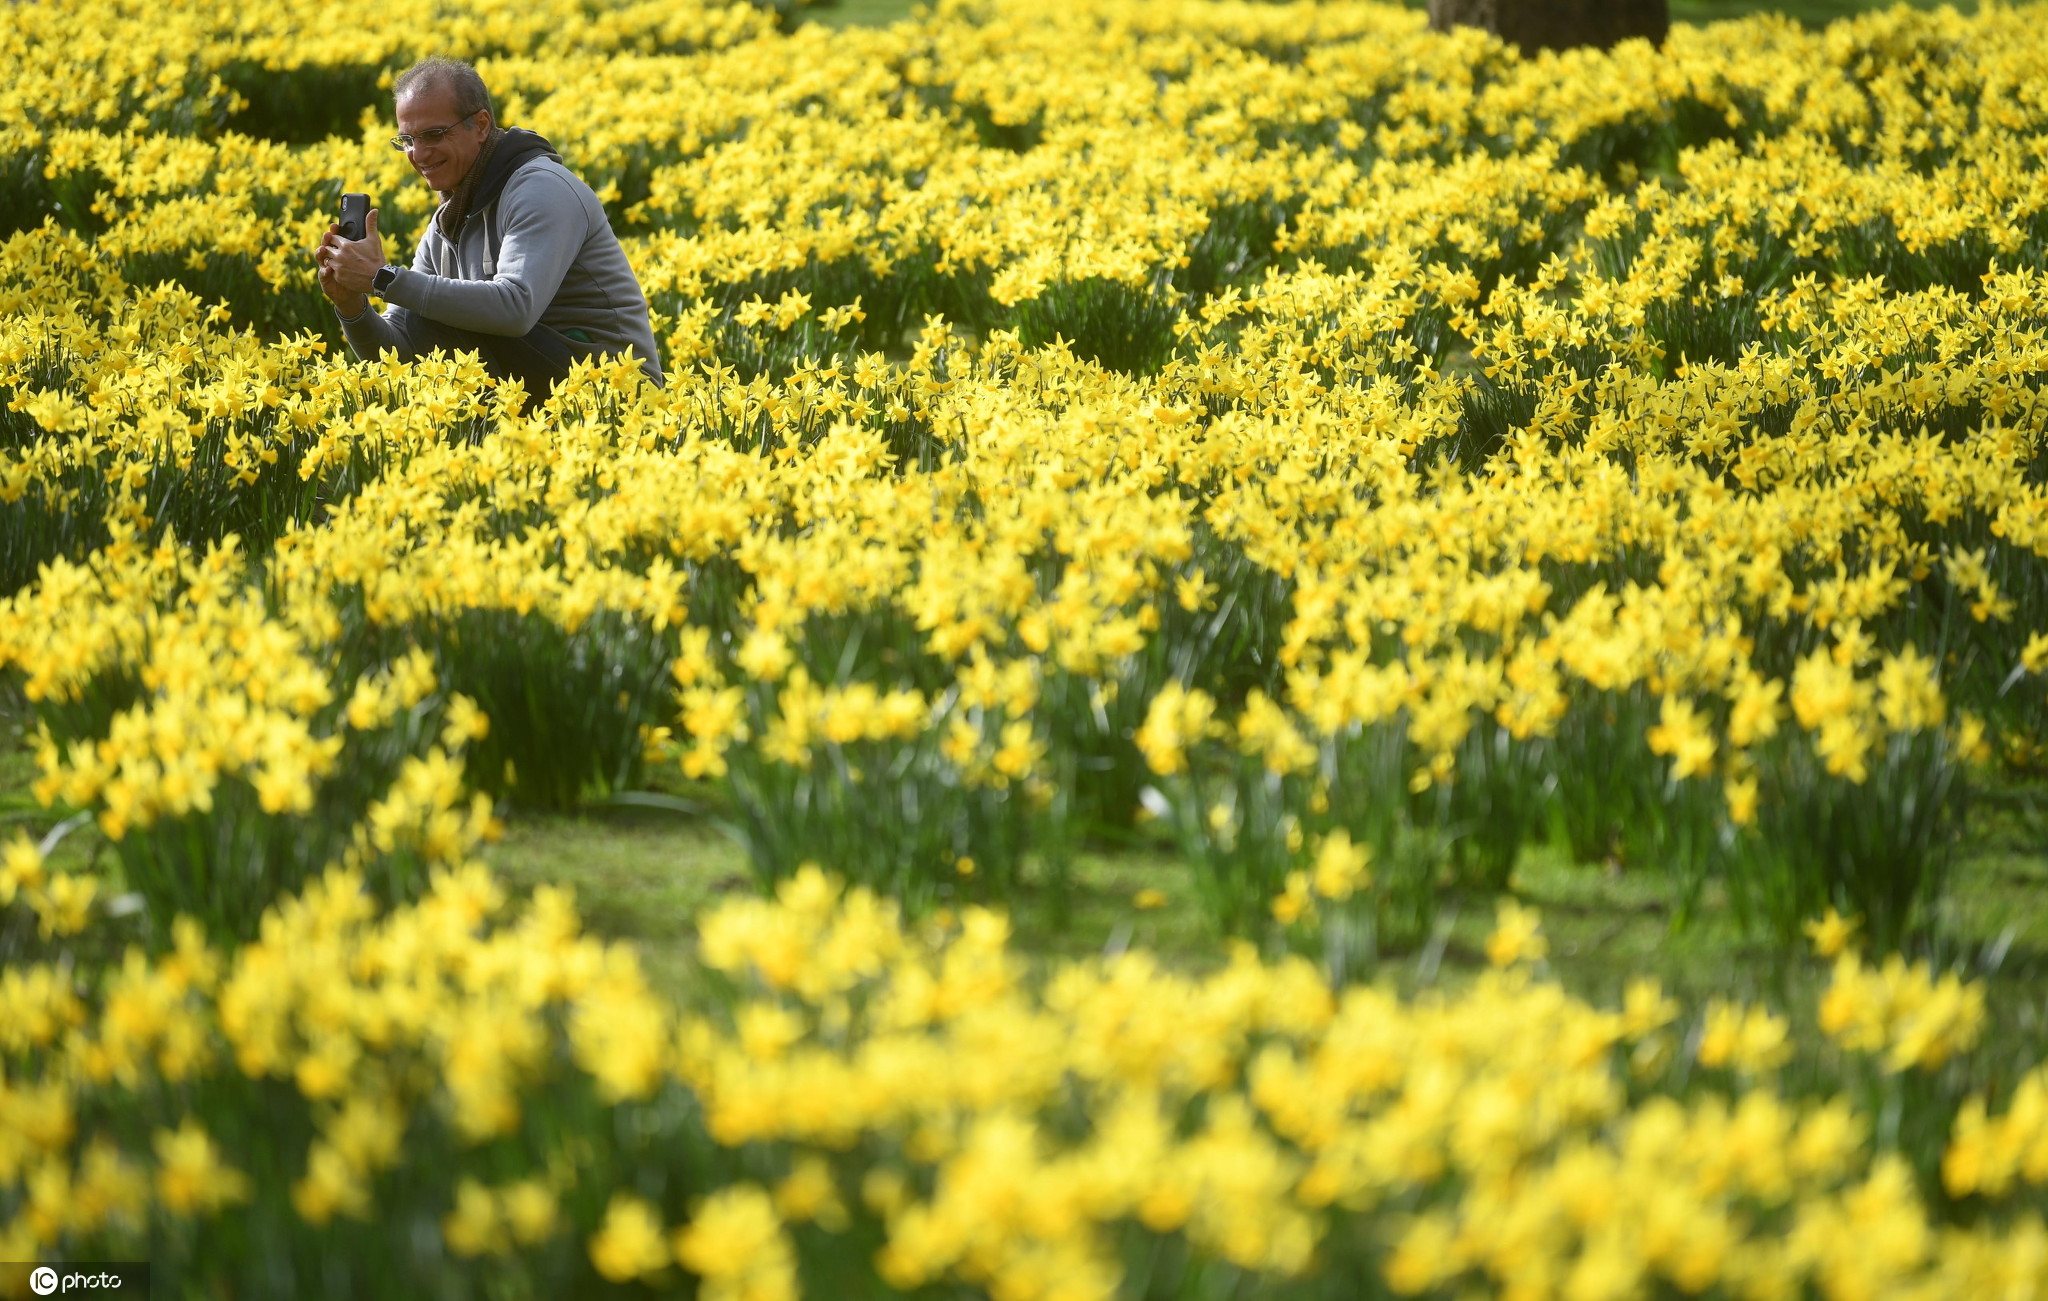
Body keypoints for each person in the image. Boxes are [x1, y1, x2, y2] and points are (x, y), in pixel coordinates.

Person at [316, 57, 664, 396]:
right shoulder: (445, 224)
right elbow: (399, 355)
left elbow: (515, 309)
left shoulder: (541, 188)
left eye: (433, 134)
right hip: (553, 384)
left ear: (481, 125)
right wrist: (352, 305)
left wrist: (384, 278)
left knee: (432, 315)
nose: (418, 155)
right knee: (429, 317)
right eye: (408, 140)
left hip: (619, 389)